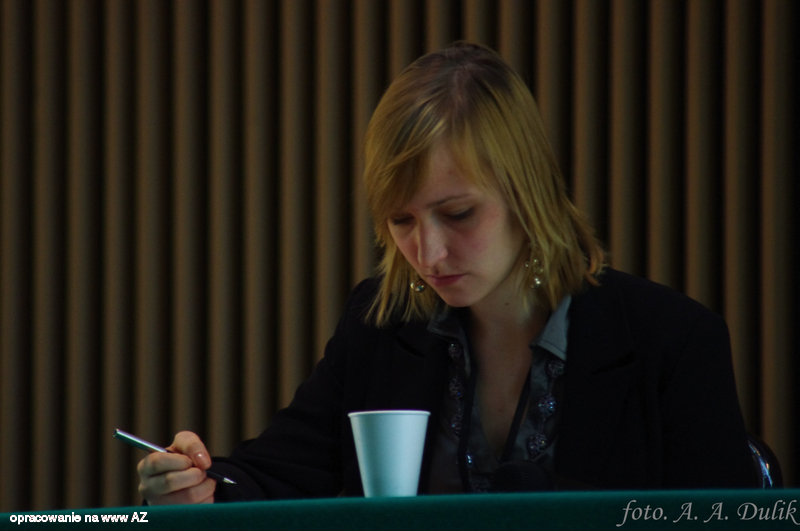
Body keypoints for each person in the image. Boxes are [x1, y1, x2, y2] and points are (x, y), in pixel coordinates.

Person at [137, 42, 755, 504]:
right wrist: (198, 484)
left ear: (527, 194)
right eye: (401, 221)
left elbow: (727, 518)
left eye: (458, 214)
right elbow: (277, 474)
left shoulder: (671, 340)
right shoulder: (380, 325)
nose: (428, 254)